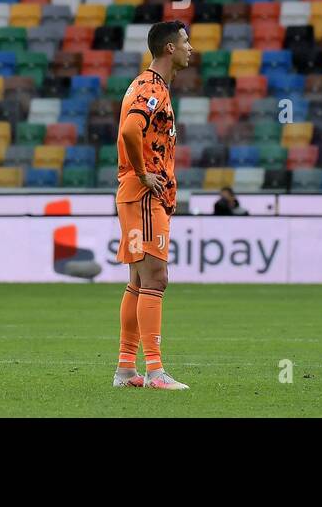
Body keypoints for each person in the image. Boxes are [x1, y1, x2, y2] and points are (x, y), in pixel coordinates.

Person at [112, 20, 194, 390]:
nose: (191, 48)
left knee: (137, 281)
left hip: (134, 194)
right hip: (144, 195)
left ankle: (126, 370)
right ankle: (156, 372)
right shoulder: (152, 88)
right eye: (186, 41)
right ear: (170, 49)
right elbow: (131, 130)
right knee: (156, 279)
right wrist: (144, 173)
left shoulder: (146, 85)